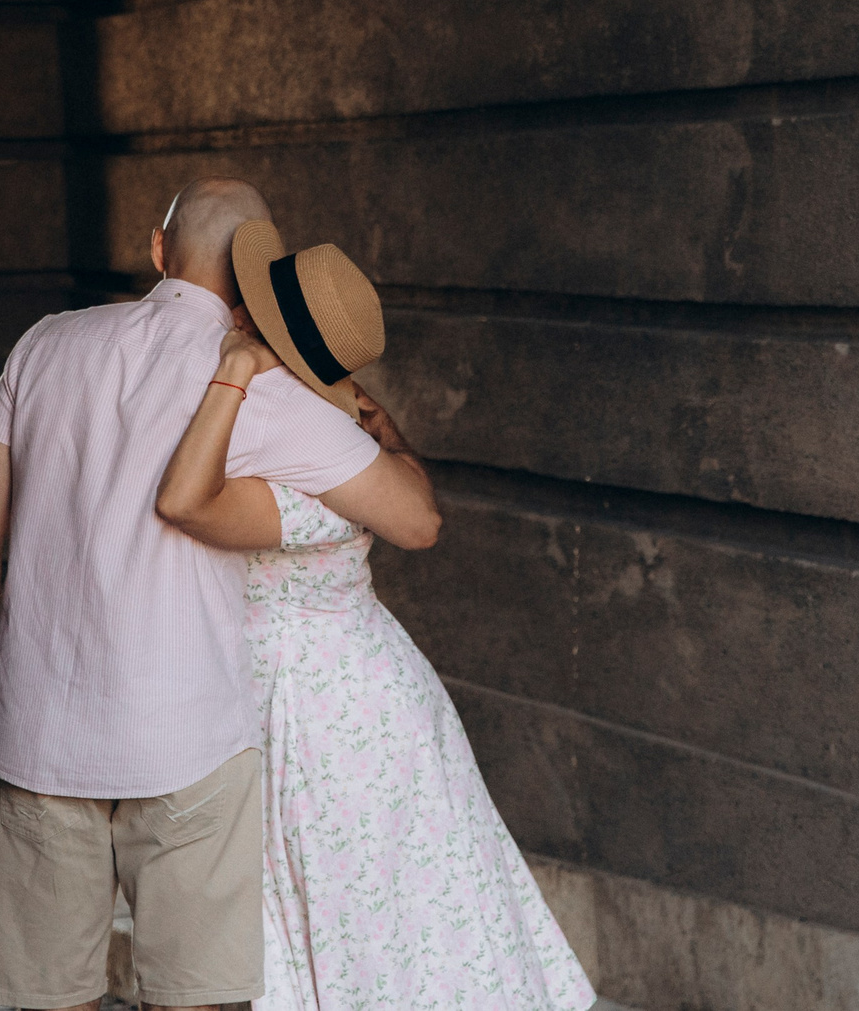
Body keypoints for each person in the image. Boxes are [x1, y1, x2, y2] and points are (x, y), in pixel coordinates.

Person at [0, 179, 443, 1011]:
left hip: (38, 735)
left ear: (157, 249)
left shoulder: (44, 344)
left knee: (41, 998)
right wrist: (384, 430)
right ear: (256, 278)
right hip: (189, 745)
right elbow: (417, 519)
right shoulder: (264, 390)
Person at [153, 219, 595, 1011]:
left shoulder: (291, 452)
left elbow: (184, 502)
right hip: (365, 697)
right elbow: (416, 499)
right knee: (404, 915)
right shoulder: (341, 441)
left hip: (326, 721)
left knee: (368, 923)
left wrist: (238, 370)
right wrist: (384, 427)